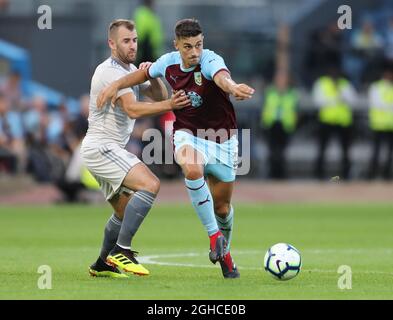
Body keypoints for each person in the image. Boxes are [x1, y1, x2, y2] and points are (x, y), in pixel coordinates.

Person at [97, 18, 255, 278]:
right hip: (188, 135)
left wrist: (234, 87)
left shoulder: (210, 60)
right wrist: (116, 84)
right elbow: (143, 74)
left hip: (223, 140)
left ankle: (224, 252)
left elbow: (222, 78)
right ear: (177, 46)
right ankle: (213, 236)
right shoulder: (168, 62)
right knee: (192, 170)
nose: (194, 52)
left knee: (223, 208)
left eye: (198, 45)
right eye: (188, 47)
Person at [81, 19, 190, 278]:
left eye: (135, 40)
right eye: (126, 41)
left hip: (105, 149)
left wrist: (152, 75)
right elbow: (133, 109)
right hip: (102, 147)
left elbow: (160, 96)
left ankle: (102, 263)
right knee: (150, 184)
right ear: (111, 43)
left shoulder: (129, 69)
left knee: (123, 210)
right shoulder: (110, 71)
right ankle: (122, 250)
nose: (132, 46)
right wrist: (171, 106)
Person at [312, 66, 357, 180]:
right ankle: (319, 175)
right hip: (326, 121)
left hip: (343, 122)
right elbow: (317, 101)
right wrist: (334, 100)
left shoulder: (345, 84)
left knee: (345, 150)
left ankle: (346, 175)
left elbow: (353, 100)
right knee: (322, 149)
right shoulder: (321, 83)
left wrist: (340, 94)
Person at [261, 70, 298, 179]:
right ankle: (272, 174)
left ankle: (281, 174)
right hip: (271, 125)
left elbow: (295, 110)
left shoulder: (292, 93)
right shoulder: (269, 92)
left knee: (282, 152)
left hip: (285, 125)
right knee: (272, 151)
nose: (281, 81)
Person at [367, 65, 393, 179]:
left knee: (389, 153)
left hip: (391, 125)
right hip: (378, 124)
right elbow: (376, 103)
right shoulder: (376, 87)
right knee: (376, 152)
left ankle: (386, 174)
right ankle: (372, 174)